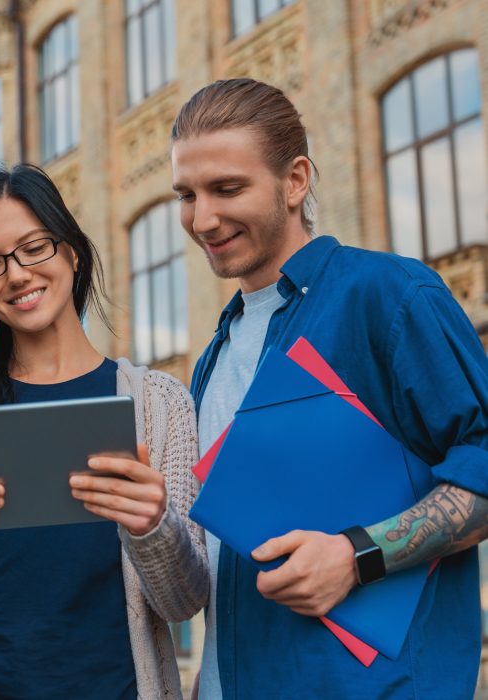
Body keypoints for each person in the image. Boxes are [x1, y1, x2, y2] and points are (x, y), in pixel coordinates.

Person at [171, 77, 488, 699]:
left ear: (295, 181)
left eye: (227, 188)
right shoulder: (213, 356)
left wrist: (356, 555)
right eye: (187, 194)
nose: (202, 218)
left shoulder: (390, 296)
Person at [0, 163, 208, 699]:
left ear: (71, 252)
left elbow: (184, 602)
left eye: (34, 248)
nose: (16, 274)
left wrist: (155, 524)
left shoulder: (158, 404)